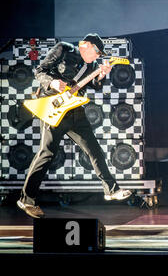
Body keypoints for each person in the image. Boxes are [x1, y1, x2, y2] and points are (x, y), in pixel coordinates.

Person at [17, 33, 132, 218]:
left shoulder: (93, 65)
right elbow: (40, 71)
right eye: (95, 51)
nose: (96, 56)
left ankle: (111, 190)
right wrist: (52, 82)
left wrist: (101, 76)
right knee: (46, 154)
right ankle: (26, 199)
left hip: (76, 113)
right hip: (53, 109)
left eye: (99, 53)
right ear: (85, 45)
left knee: (94, 150)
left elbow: (94, 86)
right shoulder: (64, 49)